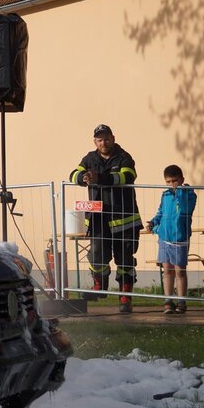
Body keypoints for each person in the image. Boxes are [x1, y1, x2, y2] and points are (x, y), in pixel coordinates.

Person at [69, 124, 144, 313]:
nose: (104, 142)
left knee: (125, 259)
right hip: (98, 219)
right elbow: (72, 175)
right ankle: (99, 287)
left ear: (113, 138)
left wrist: (100, 178)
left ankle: (125, 296)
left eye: (107, 138)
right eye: (100, 139)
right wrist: (82, 178)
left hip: (123, 218)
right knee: (96, 256)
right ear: (95, 141)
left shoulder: (124, 157)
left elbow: (128, 176)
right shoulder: (89, 158)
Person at [143, 165, 197, 314]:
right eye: (169, 181)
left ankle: (181, 302)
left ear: (182, 180)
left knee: (180, 271)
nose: (172, 184)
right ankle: (168, 301)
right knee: (167, 270)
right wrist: (154, 223)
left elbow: (186, 209)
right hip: (164, 238)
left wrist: (180, 191)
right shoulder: (165, 195)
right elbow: (161, 212)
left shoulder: (189, 194)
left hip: (180, 239)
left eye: (175, 181)